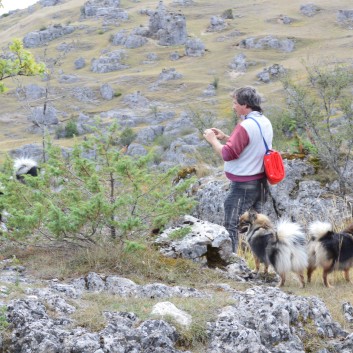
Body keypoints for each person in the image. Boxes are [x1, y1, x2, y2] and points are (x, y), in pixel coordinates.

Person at [203, 86, 273, 253]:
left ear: (245, 105)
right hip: (261, 182)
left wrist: (212, 140)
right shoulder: (264, 121)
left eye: (235, 103)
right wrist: (227, 138)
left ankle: (232, 262)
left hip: (244, 184)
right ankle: (264, 259)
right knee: (257, 224)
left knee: (232, 223)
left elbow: (228, 153)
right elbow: (251, 144)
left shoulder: (245, 125)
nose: (233, 106)